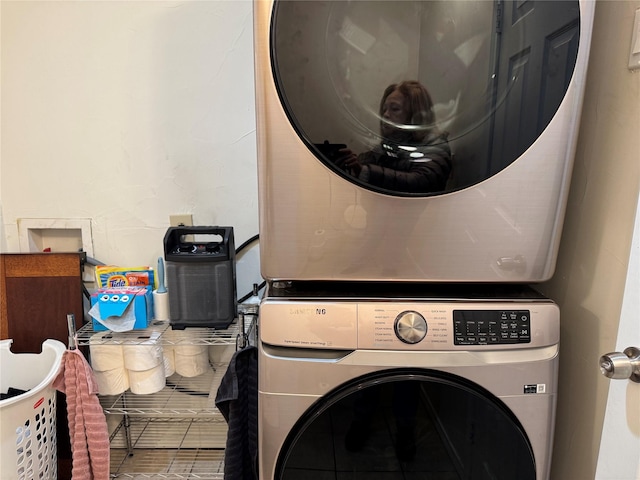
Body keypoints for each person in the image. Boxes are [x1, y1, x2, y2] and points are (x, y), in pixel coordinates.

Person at [335, 80, 452, 194]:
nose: (385, 114)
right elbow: (369, 163)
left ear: (415, 114)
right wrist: (352, 164)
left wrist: (365, 171)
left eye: (395, 109)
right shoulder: (387, 147)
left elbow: (421, 181)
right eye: (384, 109)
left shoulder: (435, 145)